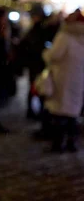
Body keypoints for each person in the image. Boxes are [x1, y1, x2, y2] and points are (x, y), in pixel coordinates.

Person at [42, 9, 84, 152]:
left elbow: (54, 55)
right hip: (78, 79)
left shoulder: (65, 36)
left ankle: (58, 143)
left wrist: (46, 54)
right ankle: (72, 142)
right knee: (73, 112)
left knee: (60, 111)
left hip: (62, 78)